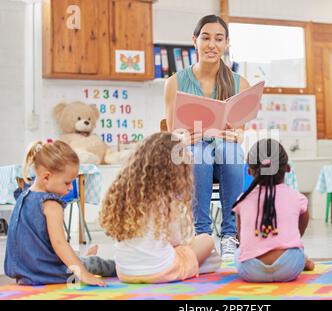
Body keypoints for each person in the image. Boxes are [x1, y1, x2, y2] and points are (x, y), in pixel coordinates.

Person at [164, 15, 251, 258]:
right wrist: (183, 138)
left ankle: (230, 235)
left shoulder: (239, 82)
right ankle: (202, 235)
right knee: (199, 152)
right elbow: (172, 133)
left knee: (230, 151)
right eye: (206, 37)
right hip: (192, 154)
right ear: (195, 41)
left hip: (226, 154)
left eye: (219, 39)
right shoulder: (175, 82)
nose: (212, 44)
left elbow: (240, 131)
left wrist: (237, 135)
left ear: (226, 44)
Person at [99, 133, 219, 284]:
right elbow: (176, 241)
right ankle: (197, 266)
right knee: (207, 241)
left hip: (125, 272)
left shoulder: (125, 194)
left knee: (194, 252)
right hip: (161, 271)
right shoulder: (167, 199)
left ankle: (196, 265)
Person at [4, 140, 115, 286]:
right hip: (50, 271)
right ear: (46, 177)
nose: (70, 188)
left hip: (25, 272)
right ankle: (116, 265)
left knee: (74, 257)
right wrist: (84, 274)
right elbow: (59, 243)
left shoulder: (22, 197)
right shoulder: (50, 204)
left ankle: (82, 257)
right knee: (97, 263)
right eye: (67, 183)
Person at [232, 139, 315, 283]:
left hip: (251, 271)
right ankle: (303, 259)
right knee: (296, 249)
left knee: (238, 253)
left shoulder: (242, 199)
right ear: (288, 168)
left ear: (249, 171)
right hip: (289, 267)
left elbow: (242, 238)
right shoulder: (298, 198)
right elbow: (299, 232)